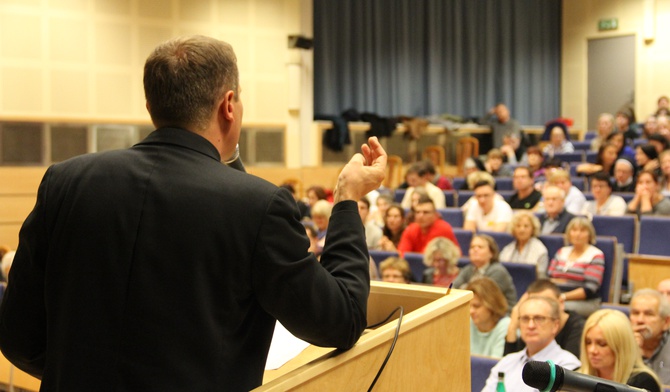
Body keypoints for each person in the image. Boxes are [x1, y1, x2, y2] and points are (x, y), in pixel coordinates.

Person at [0, 35, 388, 391]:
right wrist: (347, 198)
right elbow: (343, 319)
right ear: (229, 106)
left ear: (151, 105)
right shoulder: (258, 206)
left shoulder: (64, 182)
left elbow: (18, 338)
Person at [482, 296, 581, 392]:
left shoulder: (567, 367)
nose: (531, 325)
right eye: (525, 319)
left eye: (539, 318)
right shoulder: (506, 362)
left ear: (555, 325)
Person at [580, 309, 662, 392]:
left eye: (602, 344)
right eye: (588, 342)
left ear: (620, 346)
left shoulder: (643, 383)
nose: (592, 350)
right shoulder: (576, 378)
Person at [504, 279, 585, 358]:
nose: (539, 307)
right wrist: (512, 327)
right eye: (534, 302)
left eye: (547, 302)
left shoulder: (578, 327)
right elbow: (512, 364)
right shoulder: (531, 324)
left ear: (561, 303)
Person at [547, 217, 605, 317]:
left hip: (585, 301)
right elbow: (550, 277)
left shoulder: (595, 255)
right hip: (557, 297)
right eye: (574, 230)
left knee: (551, 309)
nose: (577, 234)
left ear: (590, 235)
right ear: (569, 233)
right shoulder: (562, 251)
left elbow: (590, 289)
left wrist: (563, 296)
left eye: (582, 231)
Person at [453, 234, 517, 308]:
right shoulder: (468, 269)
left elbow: (482, 296)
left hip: (501, 315)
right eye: (472, 247)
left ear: (491, 253)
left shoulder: (498, 271)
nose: (475, 249)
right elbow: (454, 288)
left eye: (480, 247)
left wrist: (464, 288)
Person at [629, 288, 670, 385]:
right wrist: (632, 352)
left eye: (648, 314)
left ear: (666, 322)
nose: (640, 320)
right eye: (635, 313)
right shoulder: (617, 346)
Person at [467, 277, 510, 358]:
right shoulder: (468, 322)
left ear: (492, 305)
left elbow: (494, 364)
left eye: (477, 306)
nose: (471, 311)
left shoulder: (505, 326)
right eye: (469, 306)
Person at [499, 211, 549, 277]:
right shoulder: (508, 249)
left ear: (533, 229)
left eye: (526, 226)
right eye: (518, 226)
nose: (522, 230)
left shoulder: (540, 250)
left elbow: (541, 276)